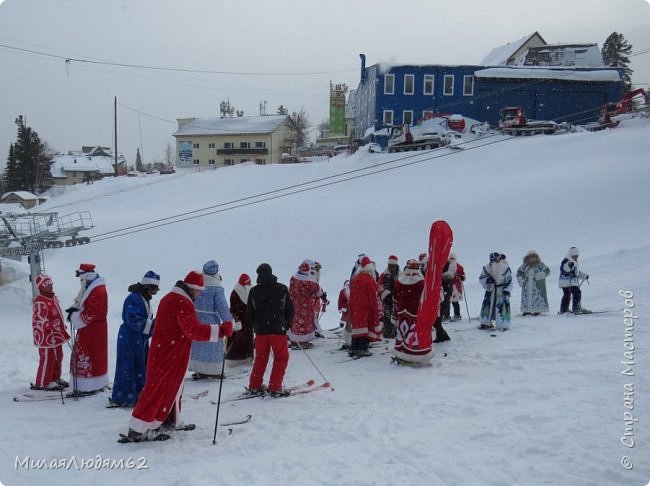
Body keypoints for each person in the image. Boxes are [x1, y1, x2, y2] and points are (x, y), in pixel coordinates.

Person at [124, 270, 230, 442]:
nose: (199, 294)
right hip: (168, 354)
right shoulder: (181, 301)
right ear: (192, 288)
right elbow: (193, 330)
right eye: (198, 290)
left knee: (171, 387)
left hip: (168, 352)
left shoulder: (171, 297)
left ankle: (168, 419)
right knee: (157, 388)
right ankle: (138, 428)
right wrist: (220, 330)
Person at [109, 271, 160, 407]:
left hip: (139, 339)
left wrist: (152, 328)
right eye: (154, 290)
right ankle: (124, 397)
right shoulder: (133, 298)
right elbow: (133, 319)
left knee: (139, 367)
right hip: (129, 338)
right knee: (127, 368)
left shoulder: (144, 299)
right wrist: (154, 325)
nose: (154, 294)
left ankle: (137, 395)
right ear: (147, 287)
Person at [246, 263, 294, 397]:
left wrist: (256, 324)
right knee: (281, 358)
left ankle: (254, 386)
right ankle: (275, 386)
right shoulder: (282, 289)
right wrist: (287, 323)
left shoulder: (254, 291)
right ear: (271, 272)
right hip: (278, 329)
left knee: (260, 359)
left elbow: (249, 313)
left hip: (261, 331)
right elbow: (289, 309)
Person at [67, 263, 109, 395]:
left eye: (81, 279)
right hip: (90, 329)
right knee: (92, 355)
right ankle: (91, 383)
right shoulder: (90, 286)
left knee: (90, 355)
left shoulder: (98, 291)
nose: (80, 282)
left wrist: (76, 317)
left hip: (93, 330)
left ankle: (87, 386)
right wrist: (75, 309)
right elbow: (84, 304)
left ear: (86, 276)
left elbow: (92, 313)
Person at [189, 260, 235, 379]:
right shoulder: (217, 288)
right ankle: (214, 371)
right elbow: (223, 307)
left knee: (199, 345)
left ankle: (199, 369)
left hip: (196, 320)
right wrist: (228, 321)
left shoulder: (198, 284)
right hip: (211, 322)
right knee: (212, 346)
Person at [31, 274, 70, 391]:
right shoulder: (40, 301)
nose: (51, 287)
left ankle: (55, 378)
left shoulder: (52, 298)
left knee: (58, 356)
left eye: (51, 285)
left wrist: (61, 325)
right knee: (48, 358)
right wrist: (48, 325)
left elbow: (57, 313)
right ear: (42, 287)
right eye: (48, 286)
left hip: (56, 334)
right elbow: (38, 320)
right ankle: (43, 381)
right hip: (45, 335)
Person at [391, 259, 425, 361]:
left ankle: (401, 353)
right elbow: (424, 299)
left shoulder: (400, 282)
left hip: (402, 313)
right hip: (415, 313)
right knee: (413, 335)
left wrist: (395, 313)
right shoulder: (421, 283)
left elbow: (395, 299)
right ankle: (415, 356)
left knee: (402, 334)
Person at [288, 259, 327, 349]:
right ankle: (302, 342)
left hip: (294, 304)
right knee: (304, 323)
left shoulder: (293, 279)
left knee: (296, 321)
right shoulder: (310, 283)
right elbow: (319, 292)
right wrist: (323, 297)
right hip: (305, 306)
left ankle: (295, 340)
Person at [348, 256, 380, 358]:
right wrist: (375, 308)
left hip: (355, 308)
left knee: (357, 328)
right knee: (365, 328)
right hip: (365, 308)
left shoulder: (355, 278)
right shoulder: (369, 280)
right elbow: (373, 297)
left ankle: (353, 348)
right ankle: (362, 349)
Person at [225, 273, 254, 366]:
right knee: (238, 340)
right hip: (240, 322)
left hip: (247, 322)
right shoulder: (235, 293)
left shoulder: (248, 291)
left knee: (246, 340)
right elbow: (233, 310)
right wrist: (237, 321)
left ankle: (247, 357)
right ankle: (234, 359)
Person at [479, 252, 513, 330]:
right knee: (488, 306)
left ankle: (503, 325)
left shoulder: (505, 268)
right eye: (493, 260)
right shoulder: (486, 268)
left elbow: (510, 281)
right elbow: (481, 278)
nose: (495, 262)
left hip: (501, 292)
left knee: (501, 307)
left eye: (497, 260)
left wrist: (507, 290)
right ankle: (485, 323)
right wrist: (487, 280)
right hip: (490, 290)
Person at [516, 251, 550, 316]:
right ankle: (526, 310)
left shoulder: (540, 265)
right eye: (531, 257)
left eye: (533, 257)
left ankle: (537, 310)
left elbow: (547, 271)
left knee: (537, 297)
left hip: (537, 286)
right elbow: (519, 272)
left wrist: (539, 275)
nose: (532, 259)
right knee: (526, 297)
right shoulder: (524, 266)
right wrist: (522, 279)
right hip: (527, 285)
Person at [559, 247, 589, 314]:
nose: (576, 257)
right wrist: (569, 265)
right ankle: (576, 308)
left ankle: (564, 309)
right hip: (566, 281)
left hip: (571, 282)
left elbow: (577, 273)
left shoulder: (574, 262)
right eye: (574, 256)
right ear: (571, 255)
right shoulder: (566, 261)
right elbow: (564, 268)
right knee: (576, 292)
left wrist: (584, 276)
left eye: (577, 256)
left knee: (567, 295)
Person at [378, 255, 400, 338]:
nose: (391, 267)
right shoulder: (384, 275)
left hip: (396, 298)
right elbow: (380, 286)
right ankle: (388, 333)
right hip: (387, 298)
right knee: (387, 315)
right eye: (390, 265)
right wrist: (387, 293)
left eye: (392, 265)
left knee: (394, 315)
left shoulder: (400, 274)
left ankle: (394, 332)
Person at [440, 253, 466, 321]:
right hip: (447, 285)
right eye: (450, 258)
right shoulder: (446, 265)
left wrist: (462, 277)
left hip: (456, 287)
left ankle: (457, 315)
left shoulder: (459, 267)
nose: (451, 260)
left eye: (453, 258)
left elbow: (463, 275)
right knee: (447, 302)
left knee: (455, 302)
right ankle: (446, 315)